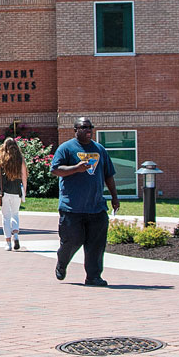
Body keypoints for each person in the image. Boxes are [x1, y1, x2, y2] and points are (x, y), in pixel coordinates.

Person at [51, 116, 119, 287]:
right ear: (75, 130)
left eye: (90, 127)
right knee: (71, 241)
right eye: (84, 127)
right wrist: (76, 168)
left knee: (96, 245)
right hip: (71, 207)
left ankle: (93, 276)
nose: (88, 130)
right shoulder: (66, 149)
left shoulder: (100, 150)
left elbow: (108, 175)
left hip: (96, 206)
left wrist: (114, 197)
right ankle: (62, 262)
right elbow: (56, 170)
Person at [0, 138, 29, 251]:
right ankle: (15, 235)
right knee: (15, 214)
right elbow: (24, 176)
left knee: (6, 216)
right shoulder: (20, 160)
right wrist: (24, 191)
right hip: (17, 191)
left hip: (4, 192)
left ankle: (8, 243)